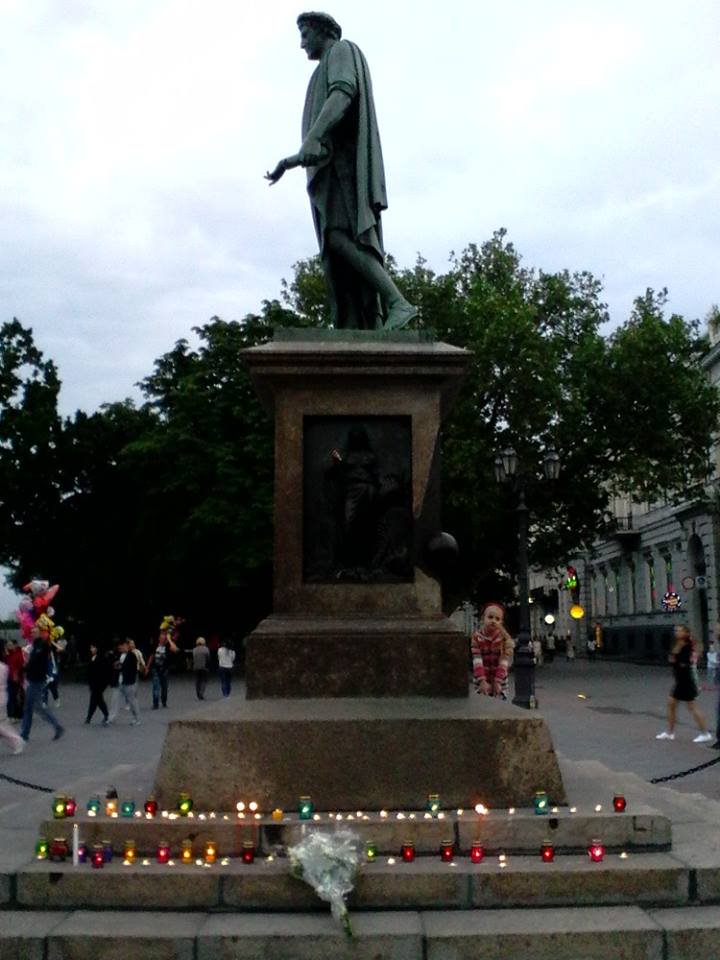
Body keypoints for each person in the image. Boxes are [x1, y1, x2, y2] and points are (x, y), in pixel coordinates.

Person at [265, 12, 417, 331]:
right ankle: (374, 313)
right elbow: (317, 148)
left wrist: (314, 136)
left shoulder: (341, 51)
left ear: (324, 32)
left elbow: (343, 92)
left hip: (347, 172)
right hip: (334, 170)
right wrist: (289, 162)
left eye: (306, 34)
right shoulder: (317, 74)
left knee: (341, 238)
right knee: (338, 244)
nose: (302, 43)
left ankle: (398, 302)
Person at [656, 624, 712, 742]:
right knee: (671, 705)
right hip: (679, 681)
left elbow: (683, 663)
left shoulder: (687, 646)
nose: (676, 632)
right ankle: (670, 733)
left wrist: (675, 660)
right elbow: (673, 660)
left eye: (679, 630)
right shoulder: (677, 644)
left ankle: (706, 733)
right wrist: (674, 660)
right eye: (676, 630)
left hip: (686, 681)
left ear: (686, 633)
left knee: (692, 707)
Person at [20, 629, 64, 743]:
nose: (32, 634)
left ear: (39, 633)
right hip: (33, 678)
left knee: (34, 707)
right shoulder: (36, 646)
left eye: (34, 632)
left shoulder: (42, 646)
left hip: (37, 679)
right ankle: (25, 733)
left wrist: (25, 668)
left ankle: (26, 733)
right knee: (31, 707)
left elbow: (35, 661)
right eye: (32, 632)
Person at [471, 603, 514, 699]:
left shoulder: (504, 639)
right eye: (490, 617)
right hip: (481, 680)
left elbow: (504, 662)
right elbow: (477, 660)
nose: (493, 621)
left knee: (499, 708)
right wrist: (482, 680)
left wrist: (498, 681)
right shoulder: (476, 638)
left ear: (501, 622)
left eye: (497, 619)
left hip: (500, 680)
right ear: (483, 618)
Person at [108, 639, 141, 725]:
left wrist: (120, 667)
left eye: (122, 645)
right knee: (114, 700)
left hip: (128, 682)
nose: (120, 647)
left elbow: (132, 669)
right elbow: (116, 665)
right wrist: (117, 665)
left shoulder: (132, 656)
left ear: (127, 645)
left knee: (132, 701)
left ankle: (137, 719)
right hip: (119, 681)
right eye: (119, 646)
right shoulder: (119, 655)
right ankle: (111, 719)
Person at [0, 651, 24, 754]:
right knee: (2, 724)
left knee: (2, 725)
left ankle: (17, 741)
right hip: (3, 697)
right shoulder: (4, 666)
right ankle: (17, 741)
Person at [146, 629, 177, 709]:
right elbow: (152, 656)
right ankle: (155, 703)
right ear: (159, 639)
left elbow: (175, 649)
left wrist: (169, 640)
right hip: (155, 669)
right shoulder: (155, 646)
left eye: (164, 639)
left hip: (165, 670)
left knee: (164, 687)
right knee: (156, 686)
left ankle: (164, 702)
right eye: (161, 638)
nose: (163, 640)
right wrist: (147, 667)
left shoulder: (168, 646)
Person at [85, 643, 110, 725]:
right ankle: (106, 715)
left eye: (92, 647)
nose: (91, 649)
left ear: (97, 648)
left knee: (95, 700)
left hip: (99, 684)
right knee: (98, 700)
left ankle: (89, 717)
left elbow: (103, 672)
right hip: (93, 684)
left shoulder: (101, 658)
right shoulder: (92, 658)